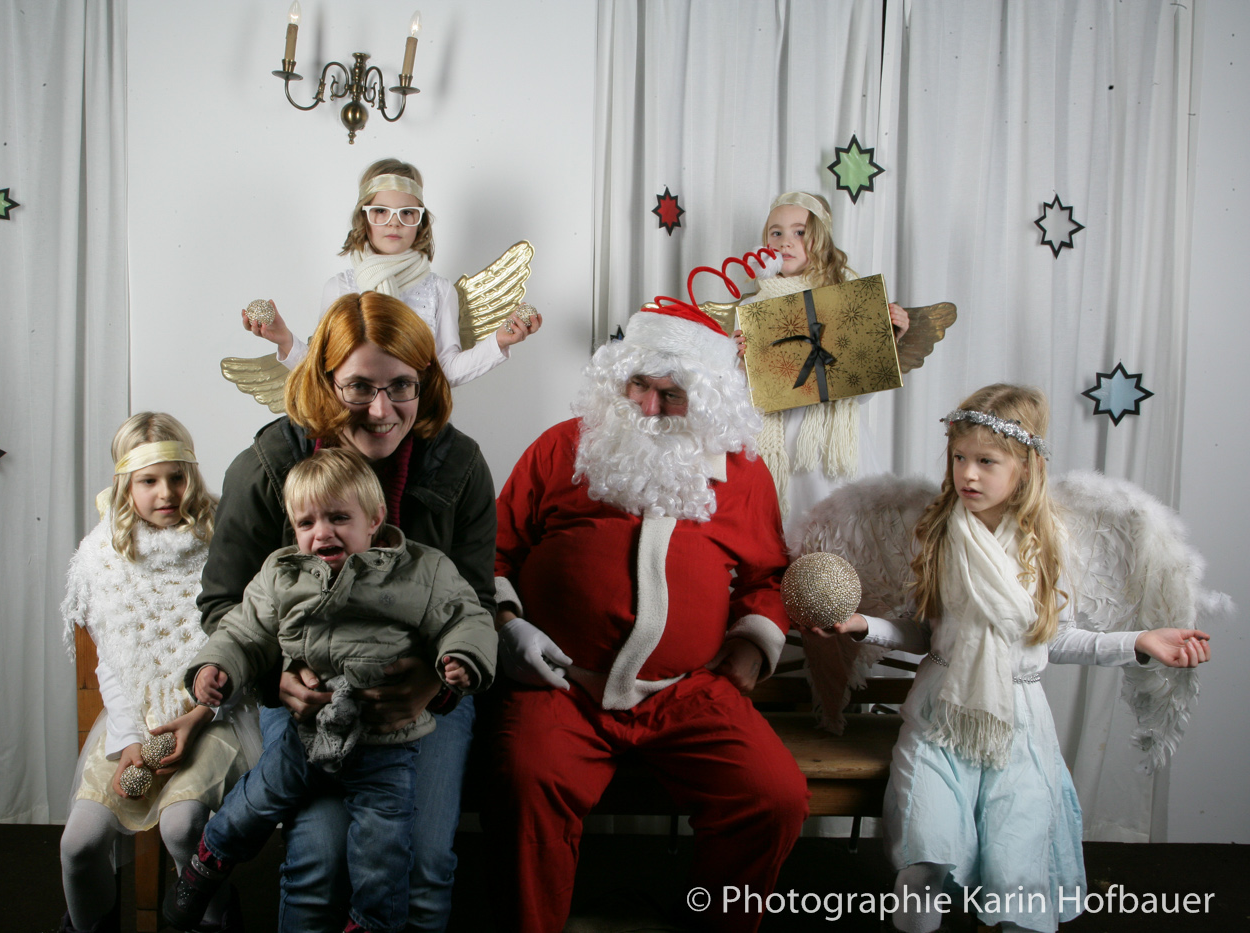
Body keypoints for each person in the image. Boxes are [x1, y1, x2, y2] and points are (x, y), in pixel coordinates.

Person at [825, 384, 1211, 933]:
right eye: (959, 457)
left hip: (1019, 724)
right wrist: (866, 626)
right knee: (923, 856)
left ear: (1025, 467)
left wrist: (1138, 642)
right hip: (939, 715)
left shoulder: (1047, 545)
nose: (968, 474)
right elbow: (926, 635)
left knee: (1016, 874)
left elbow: (1058, 640)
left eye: (986, 461)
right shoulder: (936, 536)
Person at [484, 302, 810, 932]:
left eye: (673, 394)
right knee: (525, 786)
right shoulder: (562, 447)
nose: (650, 408)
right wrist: (505, 625)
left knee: (774, 797)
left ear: (706, 399)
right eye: (639, 385)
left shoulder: (742, 474)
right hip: (561, 685)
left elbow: (768, 577)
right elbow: (492, 550)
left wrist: (752, 646)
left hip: (690, 693)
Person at [198, 290, 498, 931]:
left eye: (401, 385)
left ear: (425, 382)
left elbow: (476, 603)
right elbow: (225, 603)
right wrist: (274, 676)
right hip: (306, 688)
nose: (381, 410)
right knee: (319, 856)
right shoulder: (267, 466)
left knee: (422, 865)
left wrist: (434, 683)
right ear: (324, 379)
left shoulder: (460, 464)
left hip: (422, 697)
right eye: (359, 387)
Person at [165, 448, 497, 933]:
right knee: (252, 803)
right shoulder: (283, 575)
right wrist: (217, 667)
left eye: (339, 518)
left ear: (375, 520)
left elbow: (468, 616)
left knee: (384, 852)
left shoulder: (422, 570)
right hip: (307, 732)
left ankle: (370, 922)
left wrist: (460, 658)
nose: (322, 533)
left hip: (387, 743)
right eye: (307, 523)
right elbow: (242, 630)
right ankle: (208, 861)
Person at [59, 413, 254, 933]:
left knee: (182, 826)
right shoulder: (102, 554)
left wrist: (199, 715)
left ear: (193, 473)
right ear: (126, 483)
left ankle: (212, 920)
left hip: (215, 714)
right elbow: (113, 662)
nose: (166, 492)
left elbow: (247, 642)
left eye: (177, 476)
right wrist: (129, 740)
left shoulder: (225, 537)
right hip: (134, 717)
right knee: (79, 845)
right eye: (148, 480)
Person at [242, 158, 541, 386]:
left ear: (420, 222)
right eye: (381, 211)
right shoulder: (340, 288)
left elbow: (445, 372)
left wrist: (498, 342)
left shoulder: (439, 291)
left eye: (407, 212)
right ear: (364, 218)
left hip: (417, 427)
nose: (394, 222)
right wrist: (284, 339)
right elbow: (323, 370)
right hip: (352, 428)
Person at [737, 191, 909, 536]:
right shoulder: (752, 308)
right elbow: (742, 398)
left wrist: (885, 340)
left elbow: (859, 392)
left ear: (821, 238)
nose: (785, 241)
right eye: (776, 232)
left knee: (839, 533)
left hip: (827, 448)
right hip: (774, 441)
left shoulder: (846, 300)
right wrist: (739, 363)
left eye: (799, 232)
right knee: (780, 531)